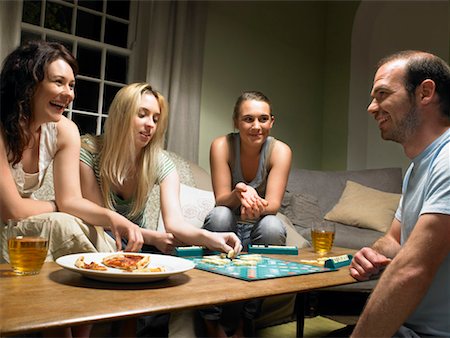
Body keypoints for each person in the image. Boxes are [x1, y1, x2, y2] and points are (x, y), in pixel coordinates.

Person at [0, 40, 144, 338]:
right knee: (62, 222)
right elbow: (12, 208)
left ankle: (82, 331)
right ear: (29, 83)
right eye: (58, 82)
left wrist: (114, 218)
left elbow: (72, 201)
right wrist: (57, 204)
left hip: (20, 228)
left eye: (72, 85)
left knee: (92, 228)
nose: (69, 94)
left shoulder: (64, 129)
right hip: (5, 230)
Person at [349, 51, 450, 337]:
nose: (372, 107)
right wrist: (374, 253)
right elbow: (395, 239)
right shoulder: (417, 168)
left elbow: (412, 269)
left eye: (382, 94)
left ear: (425, 92)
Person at [79, 82, 242, 256]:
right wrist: (154, 238)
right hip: (101, 238)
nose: (150, 125)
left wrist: (210, 238)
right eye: (142, 115)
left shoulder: (161, 163)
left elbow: (175, 224)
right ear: (121, 115)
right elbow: (101, 221)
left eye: (155, 119)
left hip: (138, 245)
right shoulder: (89, 152)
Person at [199, 91, 292, 337]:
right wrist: (239, 192)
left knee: (273, 226)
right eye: (248, 119)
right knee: (219, 215)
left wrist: (253, 197)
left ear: (272, 121)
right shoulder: (221, 145)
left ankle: (246, 321)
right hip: (226, 227)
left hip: (259, 227)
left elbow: (272, 205)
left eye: (263, 119)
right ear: (236, 122)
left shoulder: (280, 151)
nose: (256, 126)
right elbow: (221, 199)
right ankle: (211, 320)